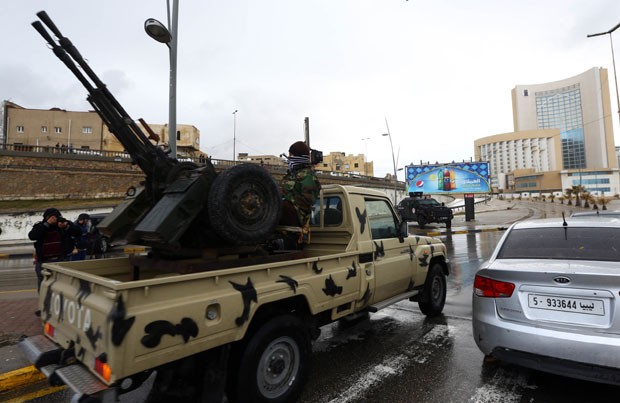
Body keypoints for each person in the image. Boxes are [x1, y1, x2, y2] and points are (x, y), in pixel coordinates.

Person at [28, 208, 80, 314]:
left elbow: (78, 232)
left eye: (55, 217)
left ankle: (62, 308)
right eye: (51, 217)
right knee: (43, 285)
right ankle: (44, 307)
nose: (54, 220)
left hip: (61, 260)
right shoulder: (41, 226)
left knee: (63, 285)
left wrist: (66, 226)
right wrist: (47, 224)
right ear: (46, 218)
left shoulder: (63, 225)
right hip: (44, 262)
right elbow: (32, 236)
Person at [279, 141, 322, 244]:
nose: (289, 159)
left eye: (291, 156)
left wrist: (287, 200)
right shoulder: (290, 175)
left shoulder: (309, 176)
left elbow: (307, 201)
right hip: (286, 214)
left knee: (276, 206)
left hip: (297, 216)